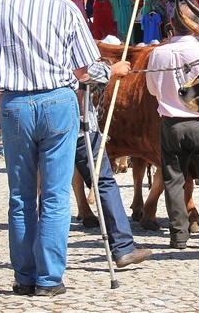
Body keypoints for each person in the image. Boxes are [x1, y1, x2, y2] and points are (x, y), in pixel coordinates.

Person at [0, 0, 100, 296]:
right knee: (53, 195)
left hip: (15, 103)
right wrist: (109, 71)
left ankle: (24, 276)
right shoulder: (66, 7)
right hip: (57, 102)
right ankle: (49, 280)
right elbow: (83, 69)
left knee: (20, 196)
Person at [146, 1, 199, 250]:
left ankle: (178, 234)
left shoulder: (158, 53)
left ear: (171, 25)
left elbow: (151, 89)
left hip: (172, 124)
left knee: (174, 180)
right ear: (197, 26)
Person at [74, 58, 152, 266]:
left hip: (19, 111)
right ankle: (122, 247)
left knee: (28, 191)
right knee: (103, 182)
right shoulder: (67, 24)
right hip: (69, 113)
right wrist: (112, 70)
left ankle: (27, 266)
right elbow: (83, 72)